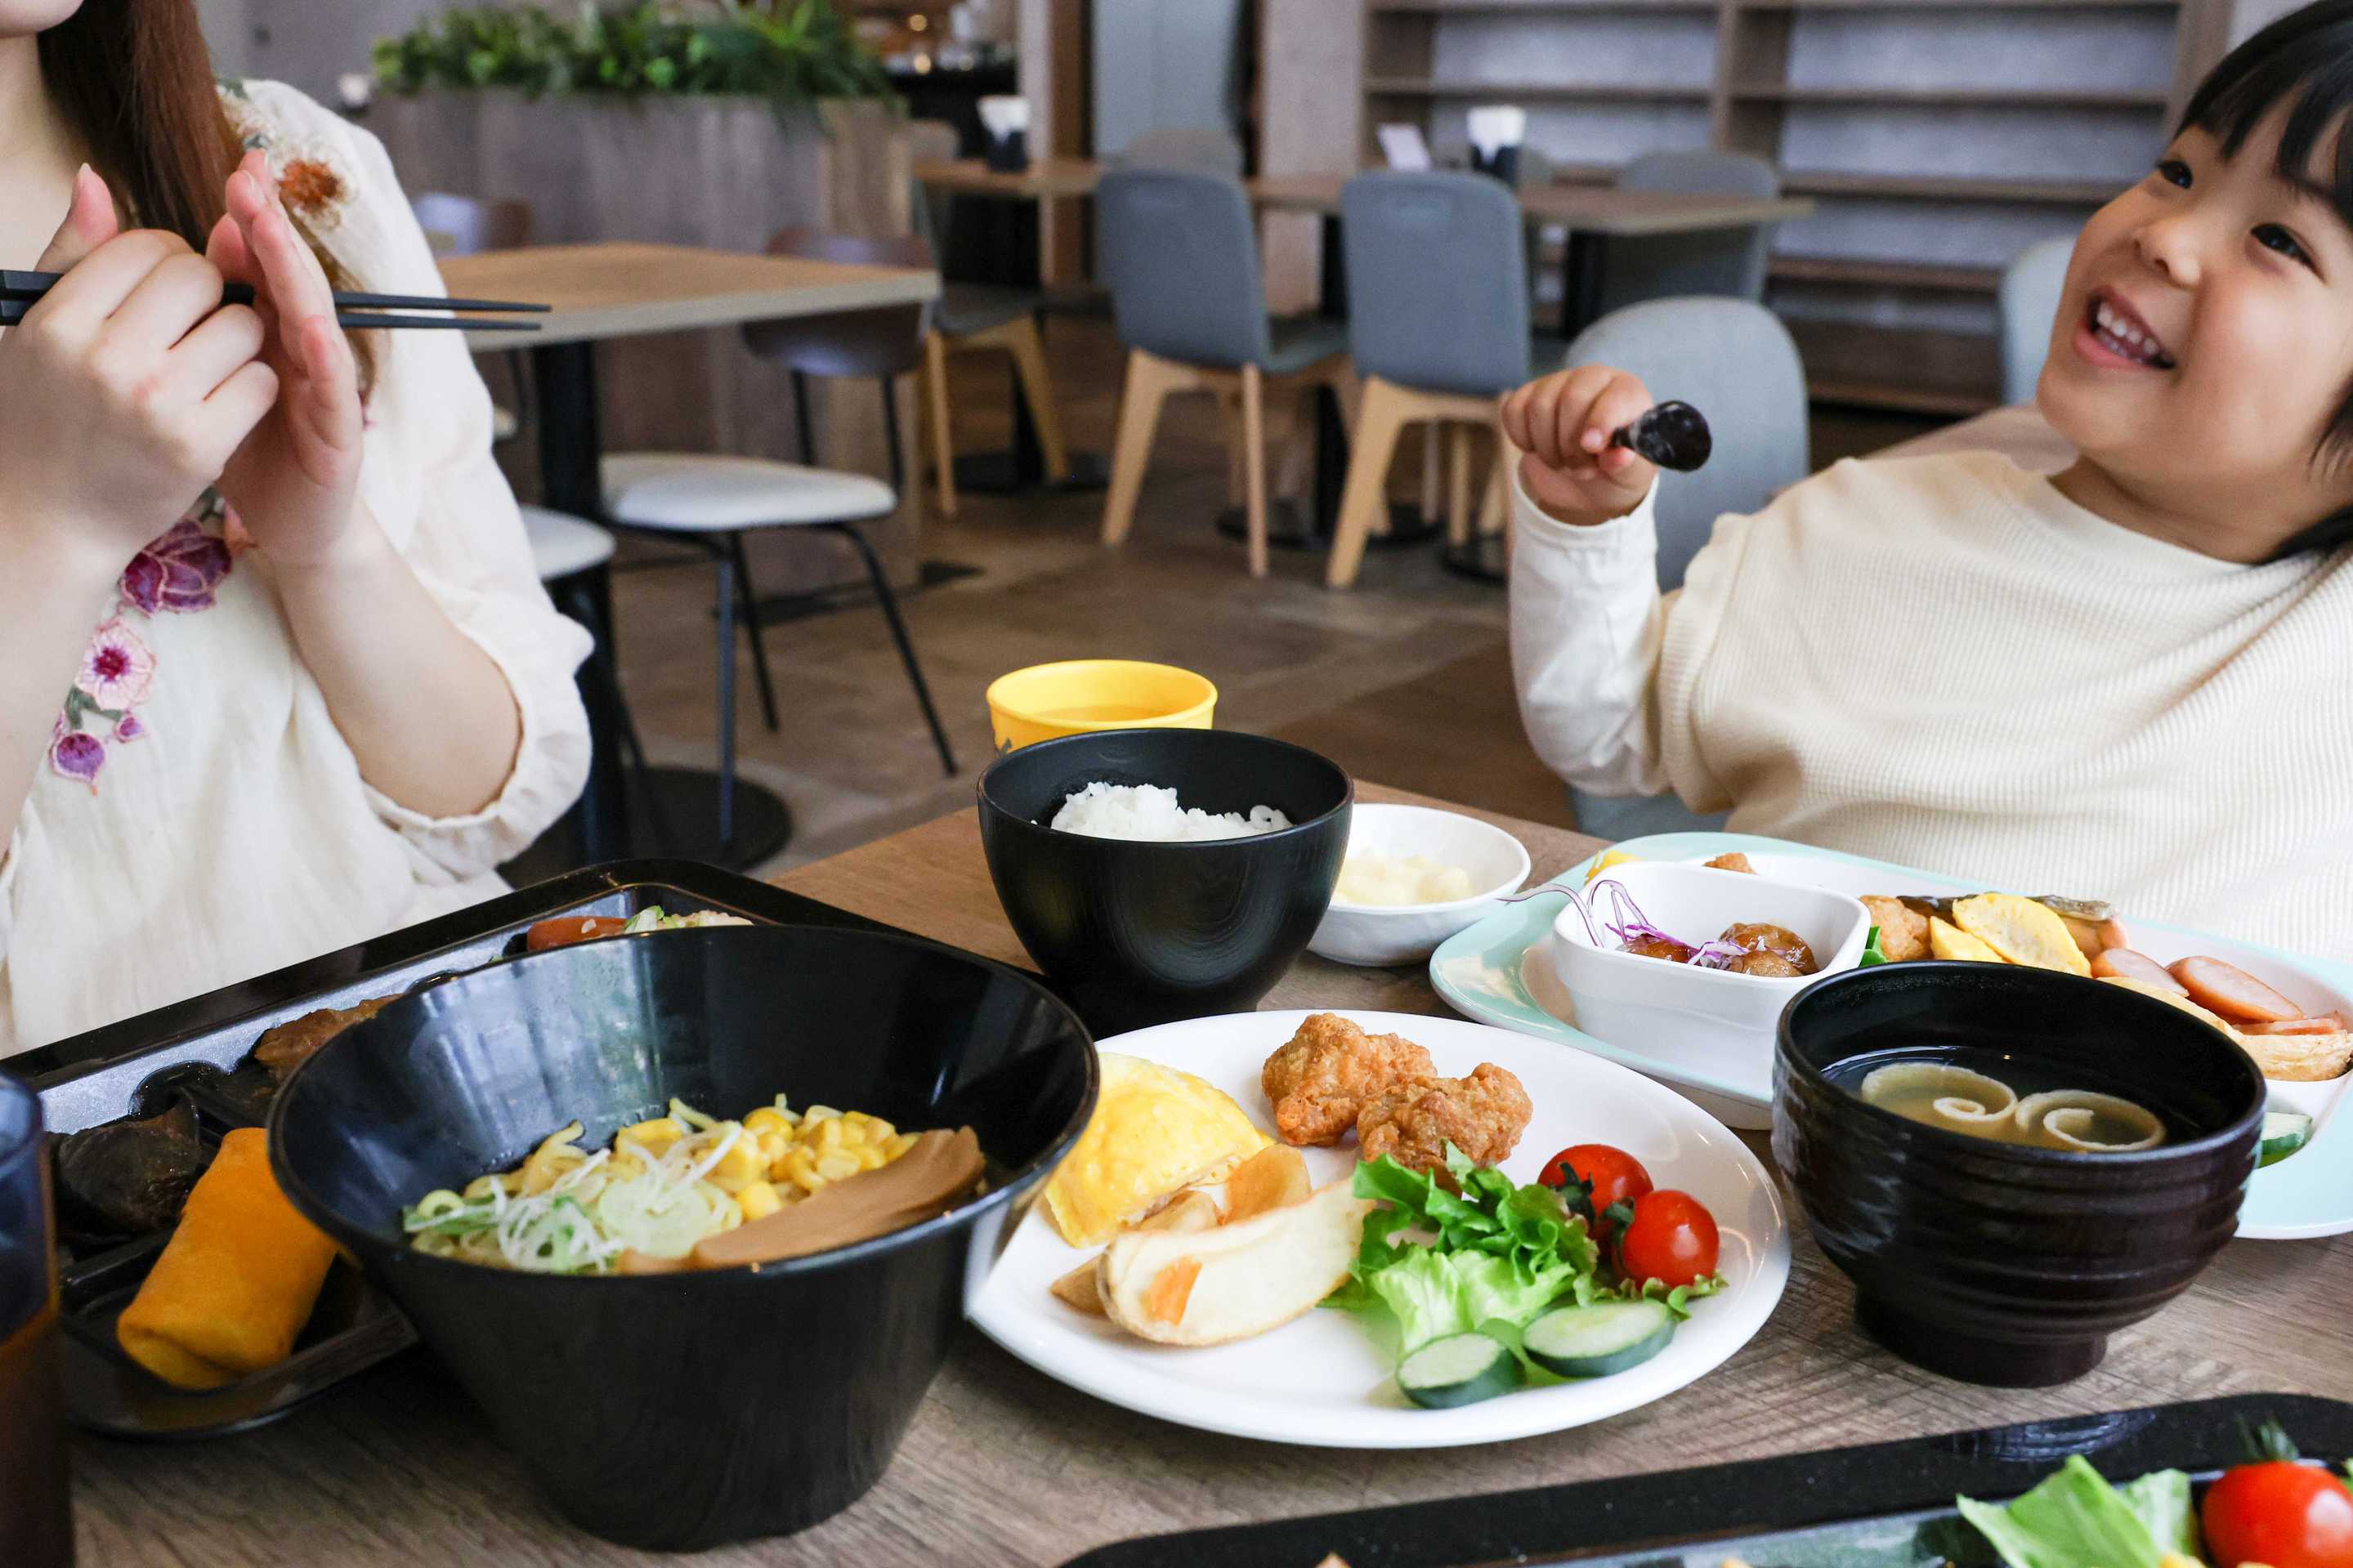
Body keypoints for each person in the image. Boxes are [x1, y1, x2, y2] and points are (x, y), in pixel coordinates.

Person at [1505, 0, 2353, 958]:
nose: (2166, 235)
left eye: (2280, 239)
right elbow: (1605, 730)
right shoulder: (1848, 525)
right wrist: (1581, 527)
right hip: (1766, 1093)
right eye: (2176, 171)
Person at [0, 0, 591, 1056]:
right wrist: (51, 529)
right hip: (72, 1173)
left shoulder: (295, 167)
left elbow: (481, 789)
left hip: (430, 1067)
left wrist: (324, 541)